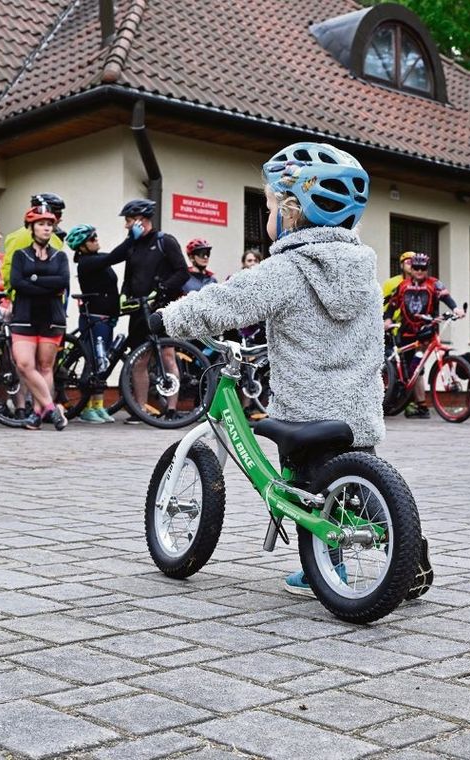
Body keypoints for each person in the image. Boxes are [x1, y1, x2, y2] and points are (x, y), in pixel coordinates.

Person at [150, 141, 386, 594]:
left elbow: (226, 302)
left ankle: (323, 572)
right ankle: (408, 552)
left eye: (270, 205)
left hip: (306, 409)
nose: (268, 215)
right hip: (358, 409)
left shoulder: (289, 268)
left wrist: (166, 319)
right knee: (353, 490)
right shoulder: (364, 273)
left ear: (293, 212)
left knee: (305, 489)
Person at [103, 198, 188, 423]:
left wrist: (162, 289)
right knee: (139, 360)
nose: (126, 225)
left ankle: (170, 409)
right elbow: (129, 276)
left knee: (167, 355)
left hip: (163, 309)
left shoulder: (165, 241)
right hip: (138, 310)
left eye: (129, 221)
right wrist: (124, 294)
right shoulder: (132, 245)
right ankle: (140, 410)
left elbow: (182, 272)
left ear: (141, 220)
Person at [9, 206, 70, 431]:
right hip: (24, 316)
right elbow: (17, 283)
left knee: (45, 367)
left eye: (49, 224)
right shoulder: (20, 255)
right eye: (41, 224)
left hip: (51, 318)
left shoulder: (60, 256)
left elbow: (62, 282)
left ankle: (36, 413)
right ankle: (52, 409)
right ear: (31, 227)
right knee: (25, 365)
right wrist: (47, 284)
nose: (46, 228)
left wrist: (33, 279)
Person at [382, 252, 463, 418]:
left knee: (417, 368)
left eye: (422, 268)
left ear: (427, 269)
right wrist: (388, 319)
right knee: (410, 368)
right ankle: (405, 396)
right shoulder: (403, 285)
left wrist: (455, 308)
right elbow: (392, 304)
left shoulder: (434, 284)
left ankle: (419, 403)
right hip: (406, 332)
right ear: (411, 269)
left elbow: (446, 297)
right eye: (416, 267)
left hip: (425, 332)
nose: (419, 270)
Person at [68, 223, 119, 423]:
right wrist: (132, 239)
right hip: (94, 318)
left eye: (95, 236)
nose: (96, 240)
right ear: (81, 246)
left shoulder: (97, 259)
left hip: (107, 319)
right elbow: (114, 256)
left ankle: (98, 405)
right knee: (93, 362)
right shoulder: (86, 262)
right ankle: (86, 407)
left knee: (102, 363)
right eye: (91, 238)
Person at [3, 193, 65, 285]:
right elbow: (9, 271)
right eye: (58, 214)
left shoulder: (55, 238)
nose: (60, 219)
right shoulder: (20, 237)